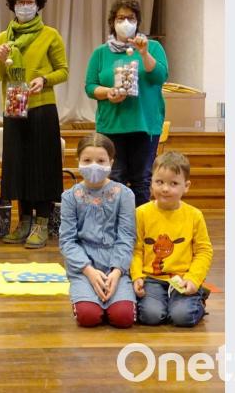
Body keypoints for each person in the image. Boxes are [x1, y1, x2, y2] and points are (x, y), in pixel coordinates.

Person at [0, 0, 69, 249]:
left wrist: (44, 80)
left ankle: (42, 224)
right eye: (21, 2)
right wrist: (1, 60)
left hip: (42, 107)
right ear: (13, 5)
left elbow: (63, 70)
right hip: (14, 107)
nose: (25, 6)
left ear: (38, 5)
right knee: (19, 167)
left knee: (43, 166)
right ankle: (23, 222)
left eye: (30, 2)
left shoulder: (50, 35)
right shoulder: (4, 38)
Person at [85, 0, 169, 207]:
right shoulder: (100, 53)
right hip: (111, 126)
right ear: (112, 21)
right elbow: (90, 86)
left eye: (130, 18)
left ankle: (139, 230)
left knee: (142, 180)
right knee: (115, 179)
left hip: (144, 125)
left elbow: (160, 76)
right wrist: (109, 92)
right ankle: (116, 230)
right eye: (120, 18)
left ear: (138, 21)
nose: (125, 22)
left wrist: (144, 52)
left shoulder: (153, 47)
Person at [58, 133, 136, 328]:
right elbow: (67, 241)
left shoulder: (125, 195)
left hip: (115, 265)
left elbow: (127, 237)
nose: (94, 165)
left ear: (111, 161)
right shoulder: (69, 197)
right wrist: (89, 271)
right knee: (88, 317)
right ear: (78, 161)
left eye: (101, 160)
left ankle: (116, 299)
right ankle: (87, 298)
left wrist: (117, 272)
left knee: (123, 317)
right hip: (84, 267)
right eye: (87, 160)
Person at [131, 151, 213, 327]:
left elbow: (204, 251)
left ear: (187, 186)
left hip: (182, 279)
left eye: (174, 183)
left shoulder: (194, 215)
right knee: (150, 316)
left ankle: (197, 300)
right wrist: (136, 275)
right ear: (151, 182)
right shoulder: (141, 213)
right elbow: (136, 249)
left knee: (182, 317)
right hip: (151, 279)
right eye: (159, 182)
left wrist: (193, 278)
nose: (165, 189)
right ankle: (167, 304)